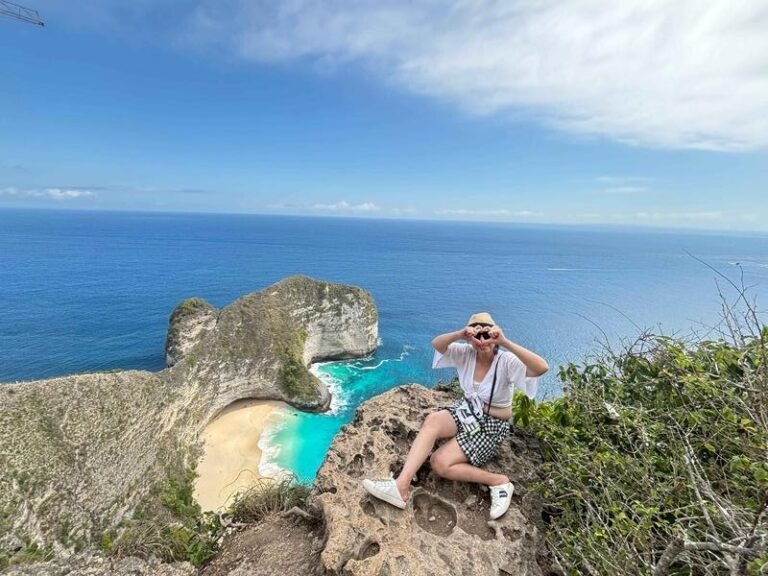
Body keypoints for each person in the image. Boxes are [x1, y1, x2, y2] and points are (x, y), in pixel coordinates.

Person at [362, 312, 548, 520]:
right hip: (467, 411)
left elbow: (541, 367)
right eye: (477, 335)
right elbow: (437, 344)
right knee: (432, 420)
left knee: (439, 463)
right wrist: (460, 334)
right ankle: (400, 486)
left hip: (491, 425)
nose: (482, 340)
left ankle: (499, 481)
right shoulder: (465, 353)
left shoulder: (506, 362)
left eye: (487, 334)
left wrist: (504, 341)